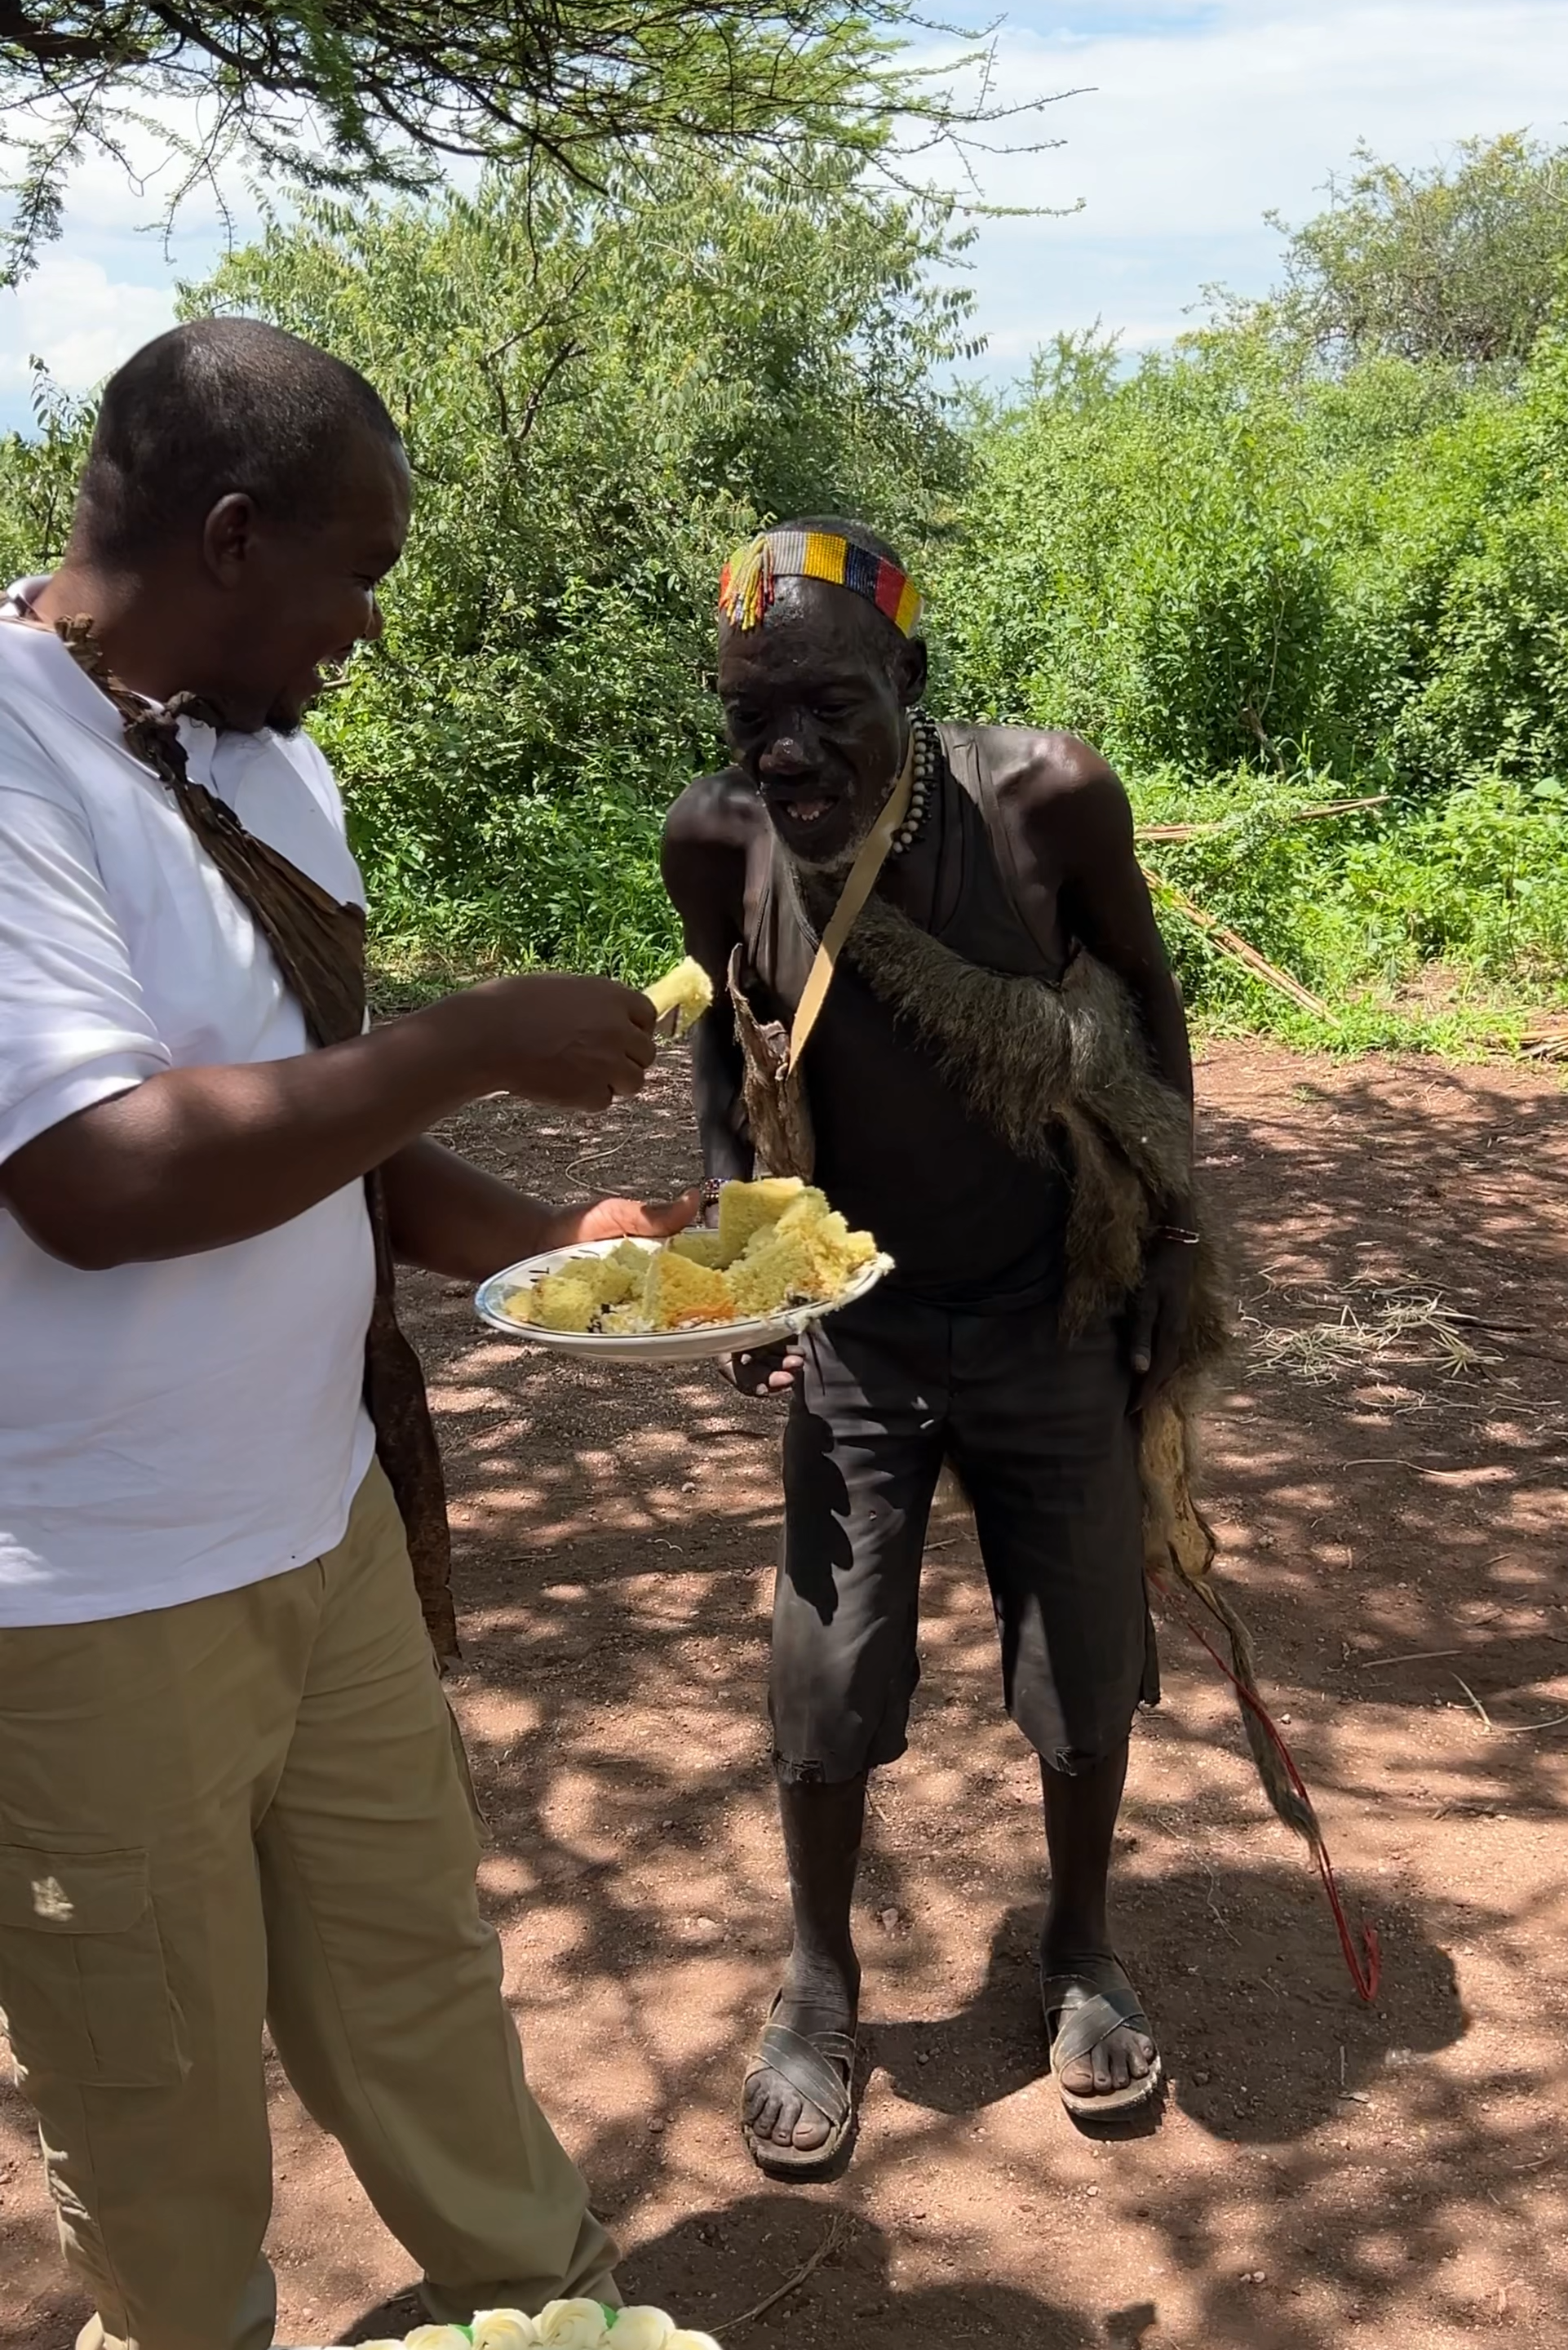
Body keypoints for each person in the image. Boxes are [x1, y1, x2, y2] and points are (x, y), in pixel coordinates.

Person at [0, 319, 690, 2350]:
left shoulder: (261, 766)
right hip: (87, 1590)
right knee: (159, 2090)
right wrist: (471, 1038)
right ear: (230, 538)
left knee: (415, 1974)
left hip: (321, 1523)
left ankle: (547, 2303)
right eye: (355, 575)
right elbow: (102, 1175)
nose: (369, 628)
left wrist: (569, 1251)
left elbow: (337, 1146)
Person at [662, 520, 1229, 2175]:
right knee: (828, 1672)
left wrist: (1172, 1247)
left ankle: (1078, 1952)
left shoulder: (1047, 800)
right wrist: (736, 1246)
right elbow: (730, 1048)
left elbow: (1151, 1003)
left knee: (1087, 1663)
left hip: (1058, 1307)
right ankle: (823, 1982)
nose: (783, 752)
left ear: (909, 681)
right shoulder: (719, 843)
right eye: (748, 712)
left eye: (827, 706)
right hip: (860, 1330)